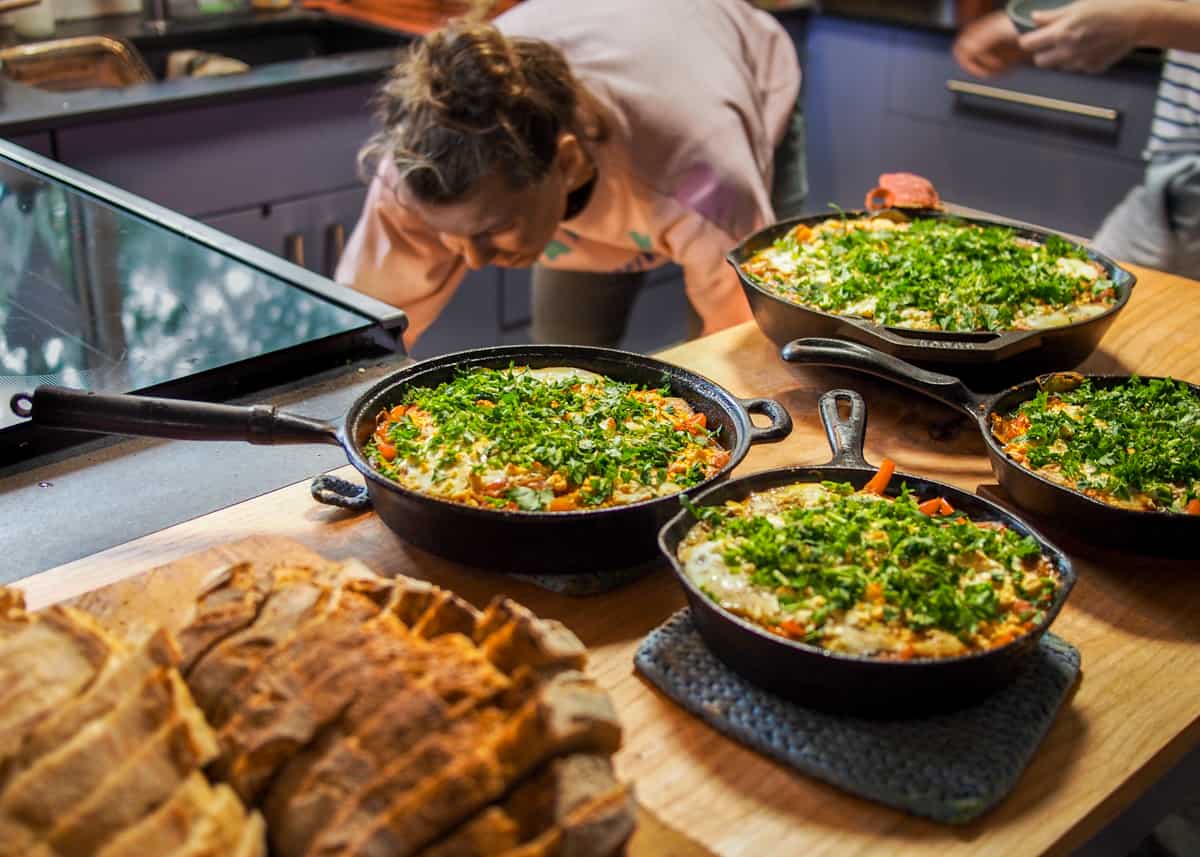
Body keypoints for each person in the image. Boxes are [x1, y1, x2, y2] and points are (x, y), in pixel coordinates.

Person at [335, 0, 805, 349]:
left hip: (728, 69)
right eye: (451, 234)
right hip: (612, 114)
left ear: (566, 162)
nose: (473, 260)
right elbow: (362, 339)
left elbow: (742, 341)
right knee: (566, 351)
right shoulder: (415, 173)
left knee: (738, 342)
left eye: (495, 229)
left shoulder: (705, 176)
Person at [954, 0, 1200, 277]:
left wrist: (1140, 20)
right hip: (1174, 165)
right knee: (1088, 285)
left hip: (1187, 172)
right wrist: (1040, 23)